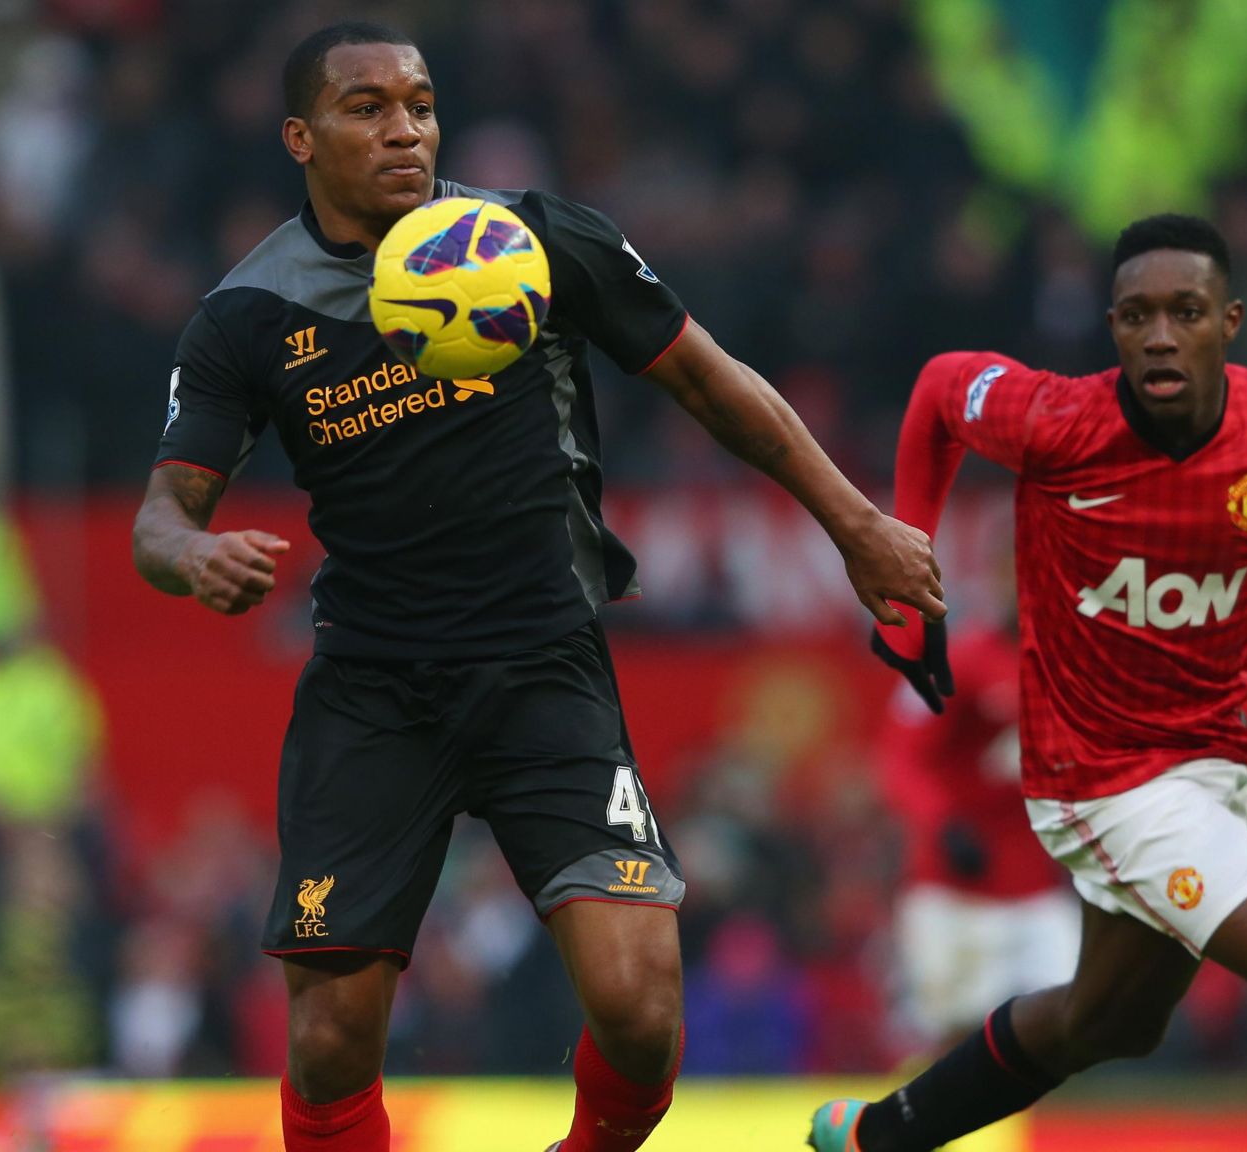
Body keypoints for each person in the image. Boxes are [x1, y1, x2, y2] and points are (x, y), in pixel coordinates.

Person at [127, 22, 943, 1152]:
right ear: (299, 138)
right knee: (325, 1041)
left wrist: (856, 527)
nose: (403, 127)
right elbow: (161, 516)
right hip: (372, 690)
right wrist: (193, 555)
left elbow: (711, 385)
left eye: (418, 102)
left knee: (642, 1008)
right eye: (367, 108)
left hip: (543, 670)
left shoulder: (534, 241)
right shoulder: (246, 316)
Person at [813, 215, 1247, 1151]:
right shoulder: (1055, 420)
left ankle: (884, 1135)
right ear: (1113, 326)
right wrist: (905, 579)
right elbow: (937, 392)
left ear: (1231, 320)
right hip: (1099, 782)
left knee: (1111, 1023)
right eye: (1136, 316)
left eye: (1186, 312)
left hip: (1210, 766)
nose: (1160, 335)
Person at [876, 608, 1078, 1057]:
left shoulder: (1080, 660)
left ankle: (1043, 1127)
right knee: (952, 1036)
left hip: (1037, 888)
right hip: (957, 887)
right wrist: (944, 825)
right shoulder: (955, 657)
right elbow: (899, 759)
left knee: (1073, 1027)